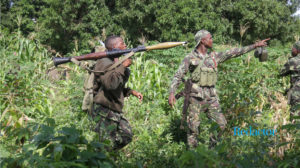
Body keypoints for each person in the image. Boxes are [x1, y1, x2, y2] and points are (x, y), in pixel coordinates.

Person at [168, 30, 270, 148]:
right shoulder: (190, 58)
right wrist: (172, 93)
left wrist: (255, 46)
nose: (212, 40)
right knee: (193, 129)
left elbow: (234, 52)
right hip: (195, 98)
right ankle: (193, 157)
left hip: (211, 98)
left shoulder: (214, 56)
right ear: (202, 41)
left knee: (221, 124)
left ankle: (212, 151)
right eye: (210, 38)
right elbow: (178, 75)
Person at [91, 35, 143, 150]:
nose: (125, 46)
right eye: (122, 44)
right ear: (114, 47)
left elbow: (117, 86)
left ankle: (108, 155)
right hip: (104, 110)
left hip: (114, 110)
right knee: (105, 145)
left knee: (126, 135)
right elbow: (110, 85)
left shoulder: (115, 61)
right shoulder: (103, 62)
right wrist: (123, 66)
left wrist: (130, 91)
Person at [280, 41, 300, 119]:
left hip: (297, 92)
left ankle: (294, 131)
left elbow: (281, 72)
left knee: (295, 114)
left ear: (298, 50)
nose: (292, 50)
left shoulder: (293, 61)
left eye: (293, 48)